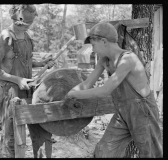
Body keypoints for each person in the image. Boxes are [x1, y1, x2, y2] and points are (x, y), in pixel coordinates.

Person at [64, 22, 163, 158]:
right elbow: (87, 83)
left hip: (143, 113)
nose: (93, 50)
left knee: (151, 154)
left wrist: (75, 94)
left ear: (104, 41)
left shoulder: (128, 59)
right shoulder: (105, 60)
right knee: (103, 151)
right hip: (122, 114)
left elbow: (105, 90)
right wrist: (67, 95)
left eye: (93, 45)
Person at [0, 5, 55, 158]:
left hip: (29, 90)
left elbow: (26, 62)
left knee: (39, 129)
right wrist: (17, 79)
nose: (25, 27)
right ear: (16, 18)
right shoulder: (6, 37)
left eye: (28, 24)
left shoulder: (28, 37)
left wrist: (43, 63)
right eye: (23, 24)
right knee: (11, 136)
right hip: (10, 93)